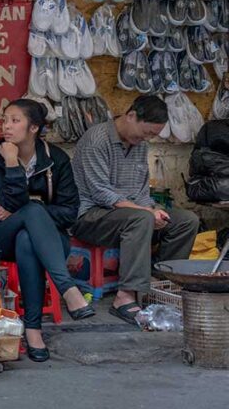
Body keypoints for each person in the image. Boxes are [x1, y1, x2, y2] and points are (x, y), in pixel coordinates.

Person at [71, 95, 199, 325]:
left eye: (152, 135)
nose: (147, 139)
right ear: (131, 116)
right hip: (91, 217)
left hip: (131, 214)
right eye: (147, 132)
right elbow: (102, 193)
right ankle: (125, 296)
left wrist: (152, 210)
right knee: (140, 218)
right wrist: (146, 213)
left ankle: (160, 283)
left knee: (186, 220)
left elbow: (141, 192)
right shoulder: (96, 140)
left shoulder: (139, 145)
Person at [0, 99, 95, 361]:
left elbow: (70, 211)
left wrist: (28, 210)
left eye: (15, 121)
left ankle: (32, 330)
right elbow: (7, 202)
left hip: (52, 240)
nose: (6, 127)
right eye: (4, 120)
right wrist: (11, 163)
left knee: (28, 237)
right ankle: (68, 289)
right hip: (3, 236)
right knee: (31, 214)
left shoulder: (56, 158)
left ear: (33, 127)